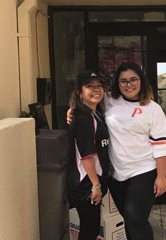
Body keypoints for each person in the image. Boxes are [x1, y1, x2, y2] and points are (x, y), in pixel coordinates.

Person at [67, 62, 166, 240]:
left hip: (143, 171)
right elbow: (89, 101)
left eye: (133, 80)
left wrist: (161, 176)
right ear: (117, 83)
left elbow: (160, 145)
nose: (128, 85)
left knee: (136, 219)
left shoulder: (153, 109)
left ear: (141, 81)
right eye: (123, 81)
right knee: (128, 220)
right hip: (117, 175)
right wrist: (72, 110)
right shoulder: (110, 100)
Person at [66, 71, 111, 240]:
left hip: (90, 181)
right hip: (86, 183)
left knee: (90, 228)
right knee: (89, 230)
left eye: (99, 85)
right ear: (80, 92)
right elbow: (86, 155)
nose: (96, 89)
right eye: (89, 86)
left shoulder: (94, 113)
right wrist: (96, 185)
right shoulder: (84, 117)